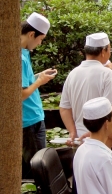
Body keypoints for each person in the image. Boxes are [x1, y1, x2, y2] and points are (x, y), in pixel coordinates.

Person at [59, 32, 112, 140]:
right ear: (102, 52)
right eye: (109, 50)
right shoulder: (107, 74)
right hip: (100, 138)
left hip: (79, 138)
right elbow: (109, 111)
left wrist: (72, 132)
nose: (110, 53)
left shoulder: (73, 73)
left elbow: (64, 108)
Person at [21, 13, 54, 178]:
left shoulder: (24, 53)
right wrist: (39, 81)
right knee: (35, 170)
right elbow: (19, 94)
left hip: (34, 117)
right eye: (40, 39)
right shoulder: (19, 57)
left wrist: (39, 76)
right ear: (31, 34)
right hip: (28, 121)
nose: (40, 44)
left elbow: (25, 82)